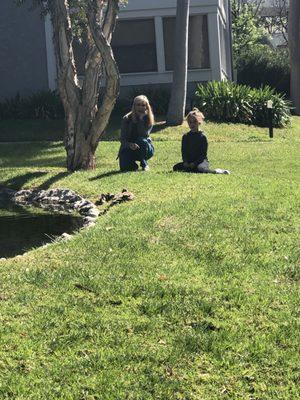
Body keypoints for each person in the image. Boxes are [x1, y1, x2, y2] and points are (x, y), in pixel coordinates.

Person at [173, 108, 230, 174]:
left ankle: (216, 171)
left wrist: (195, 163)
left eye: (194, 122)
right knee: (176, 167)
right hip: (190, 161)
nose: (192, 124)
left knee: (200, 168)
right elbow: (184, 152)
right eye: (190, 122)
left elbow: (203, 155)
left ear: (199, 122)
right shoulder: (185, 136)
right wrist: (185, 162)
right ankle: (193, 169)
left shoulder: (202, 137)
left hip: (201, 161)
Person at [118, 95, 155, 172]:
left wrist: (141, 120)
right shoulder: (127, 118)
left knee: (142, 141)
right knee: (125, 168)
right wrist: (130, 145)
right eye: (138, 105)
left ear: (146, 107)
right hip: (129, 147)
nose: (140, 107)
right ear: (134, 106)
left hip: (145, 148)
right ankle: (133, 165)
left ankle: (144, 163)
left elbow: (144, 135)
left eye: (143, 105)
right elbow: (122, 139)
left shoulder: (149, 118)